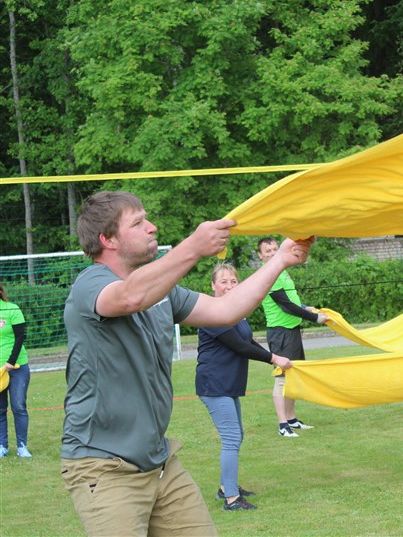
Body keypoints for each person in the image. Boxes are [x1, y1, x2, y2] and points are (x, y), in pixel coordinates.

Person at [61, 191, 313, 536]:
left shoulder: (162, 291)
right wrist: (194, 246)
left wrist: (280, 259)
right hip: (103, 467)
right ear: (108, 240)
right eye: (138, 223)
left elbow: (226, 310)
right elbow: (130, 297)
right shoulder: (90, 284)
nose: (152, 227)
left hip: (159, 462)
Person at [196, 262, 294, 511]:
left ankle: (225, 487)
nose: (229, 286)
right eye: (223, 281)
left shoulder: (237, 312)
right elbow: (239, 346)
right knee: (231, 438)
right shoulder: (211, 312)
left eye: (233, 281)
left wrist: (274, 357)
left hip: (229, 383)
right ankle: (231, 499)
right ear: (213, 285)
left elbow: (248, 341)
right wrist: (274, 358)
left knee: (236, 435)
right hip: (214, 384)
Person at [256, 237, 327, 437]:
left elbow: (291, 301)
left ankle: (291, 419)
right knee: (281, 377)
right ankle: (282, 425)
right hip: (280, 332)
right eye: (267, 251)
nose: (272, 253)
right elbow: (286, 306)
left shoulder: (282, 271)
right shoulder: (269, 274)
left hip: (291, 330)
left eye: (274, 249)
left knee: (292, 376)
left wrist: (305, 307)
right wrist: (315, 318)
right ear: (260, 256)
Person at [0, 282, 30, 458]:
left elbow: (20, 337)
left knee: (18, 406)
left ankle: (22, 446)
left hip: (17, 366)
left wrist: (10, 362)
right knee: (0, 409)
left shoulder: (12, 309)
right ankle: (2, 446)